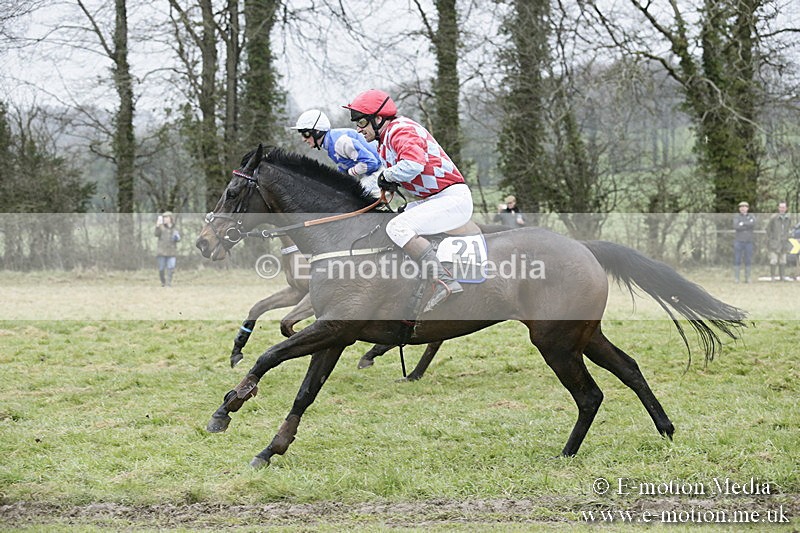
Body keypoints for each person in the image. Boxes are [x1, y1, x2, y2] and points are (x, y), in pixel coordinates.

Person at [343, 89, 473, 312]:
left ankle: (444, 281)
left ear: (378, 118)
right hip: (436, 199)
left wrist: (387, 176)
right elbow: (396, 174)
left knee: (398, 227)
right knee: (392, 221)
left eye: (362, 122)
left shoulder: (400, 130)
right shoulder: (384, 142)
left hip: (451, 199)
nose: (358, 129)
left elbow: (413, 165)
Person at [290, 109, 383, 197]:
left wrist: (351, 172)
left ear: (317, 131)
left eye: (305, 134)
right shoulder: (330, 142)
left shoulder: (340, 142)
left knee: (357, 197)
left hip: (382, 167)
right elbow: (343, 169)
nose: (303, 139)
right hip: (374, 171)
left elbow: (371, 163)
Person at [765, 201, 792, 281]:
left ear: (786, 208)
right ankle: (773, 277)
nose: (782, 209)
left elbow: (788, 229)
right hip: (774, 243)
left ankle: (782, 277)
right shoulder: (773, 218)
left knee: (783, 260)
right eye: (781, 207)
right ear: (778, 208)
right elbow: (768, 229)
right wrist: (772, 239)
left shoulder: (788, 218)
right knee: (774, 260)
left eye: (784, 207)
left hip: (784, 242)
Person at [155, 211, 180, 287]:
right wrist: (157, 226)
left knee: (171, 267)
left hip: (171, 251)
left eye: (166, 217)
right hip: (161, 251)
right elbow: (156, 234)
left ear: (170, 218)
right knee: (161, 269)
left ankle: (168, 283)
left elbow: (179, 238)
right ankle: (163, 282)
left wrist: (177, 238)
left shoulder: (175, 228)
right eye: (164, 218)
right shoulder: (161, 227)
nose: (165, 219)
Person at [732, 201, 756, 283]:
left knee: (748, 260)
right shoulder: (736, 217)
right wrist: (746, 225)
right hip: (738, 241)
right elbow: (736, 226)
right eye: (741, 207)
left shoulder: (752, 216)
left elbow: (753, 224)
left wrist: (742, 224)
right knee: (737, 259)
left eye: (744, 207)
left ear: (747, 208)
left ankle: (748, 278)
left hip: (749, 241)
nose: (743, 208)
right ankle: (737, 278)